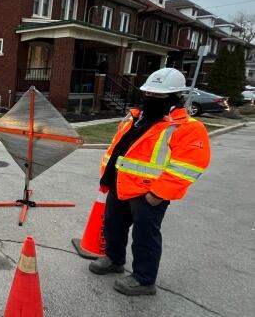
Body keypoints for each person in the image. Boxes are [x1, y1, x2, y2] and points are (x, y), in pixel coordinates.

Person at [88, 68, 211, 296]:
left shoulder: (188, 128)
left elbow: (188, 167)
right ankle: (114, 260)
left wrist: (157, 194)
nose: (151, 98)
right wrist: (107, 179)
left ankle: (144, 280)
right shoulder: (136, 117)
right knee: (113, 226)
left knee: (145, 237)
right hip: (120, 184)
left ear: (175, 97)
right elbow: (118, 149)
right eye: (149, 93)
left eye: (158, 95)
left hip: (149, 193)